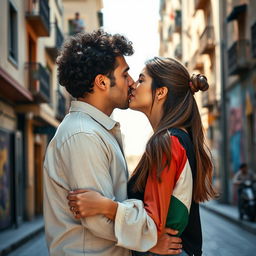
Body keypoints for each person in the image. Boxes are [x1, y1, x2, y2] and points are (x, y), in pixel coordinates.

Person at [43, 31, 182, 256]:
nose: (132, 82)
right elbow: (97, 220)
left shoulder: (95, 130)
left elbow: (107, 205)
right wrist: (150, 241)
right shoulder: (83, 135)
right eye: (125, 74)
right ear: (102, 82)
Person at [67, 57, 217, 256]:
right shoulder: (180, 137)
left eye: (141, 79)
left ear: (161, 92)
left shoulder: (167, 142)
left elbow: (152, 225)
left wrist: (105, 206)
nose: (132, 85)